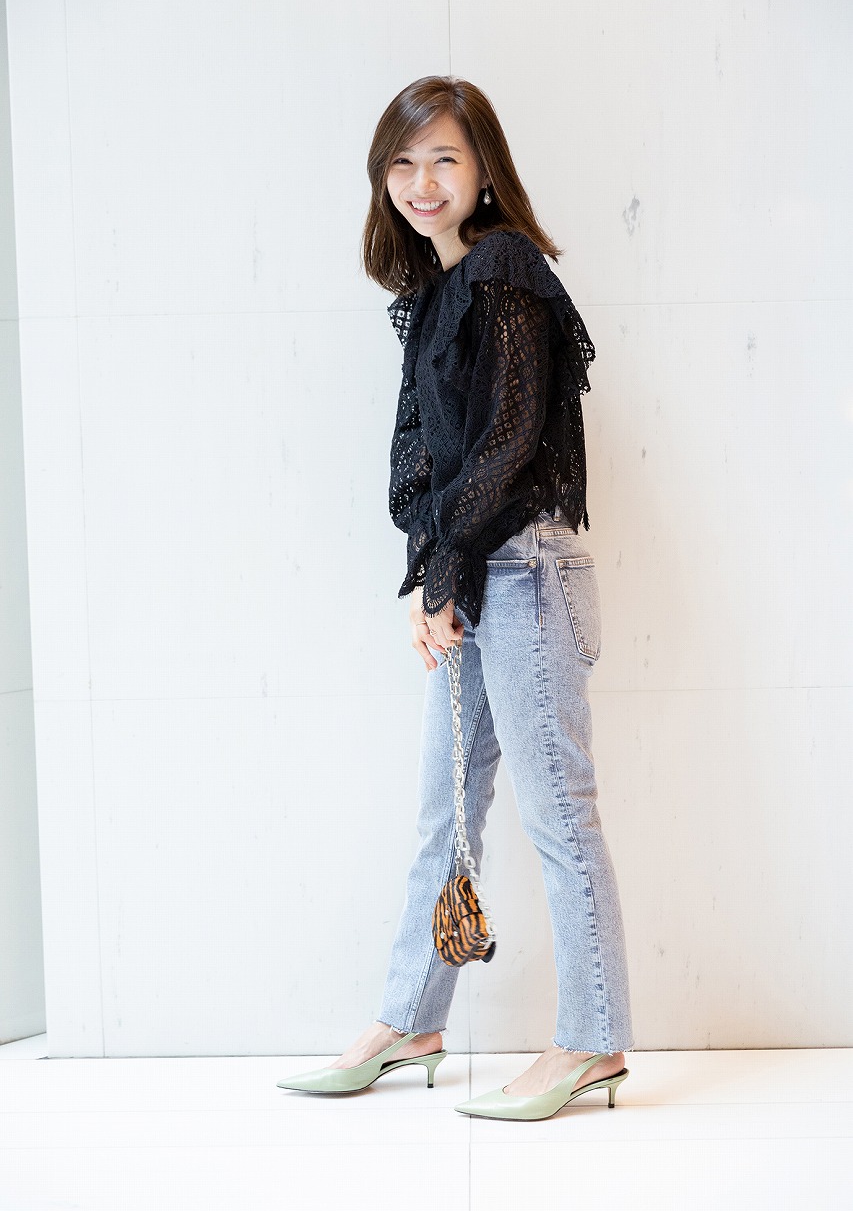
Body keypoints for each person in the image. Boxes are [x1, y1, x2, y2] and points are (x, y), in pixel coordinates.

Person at [277, 75, 634, 1121]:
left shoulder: (507, 268)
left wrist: (443, 573)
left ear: (484, 169)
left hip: (526, 575)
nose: (421, 181)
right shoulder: (431, 295)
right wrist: (431, 578)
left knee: (559, 814)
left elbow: (508, 441)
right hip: (474, 577)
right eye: (402, 162)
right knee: (444, 813)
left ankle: (592, 1041)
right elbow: (420, 464)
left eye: (443, 157)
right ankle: (410, 1019)